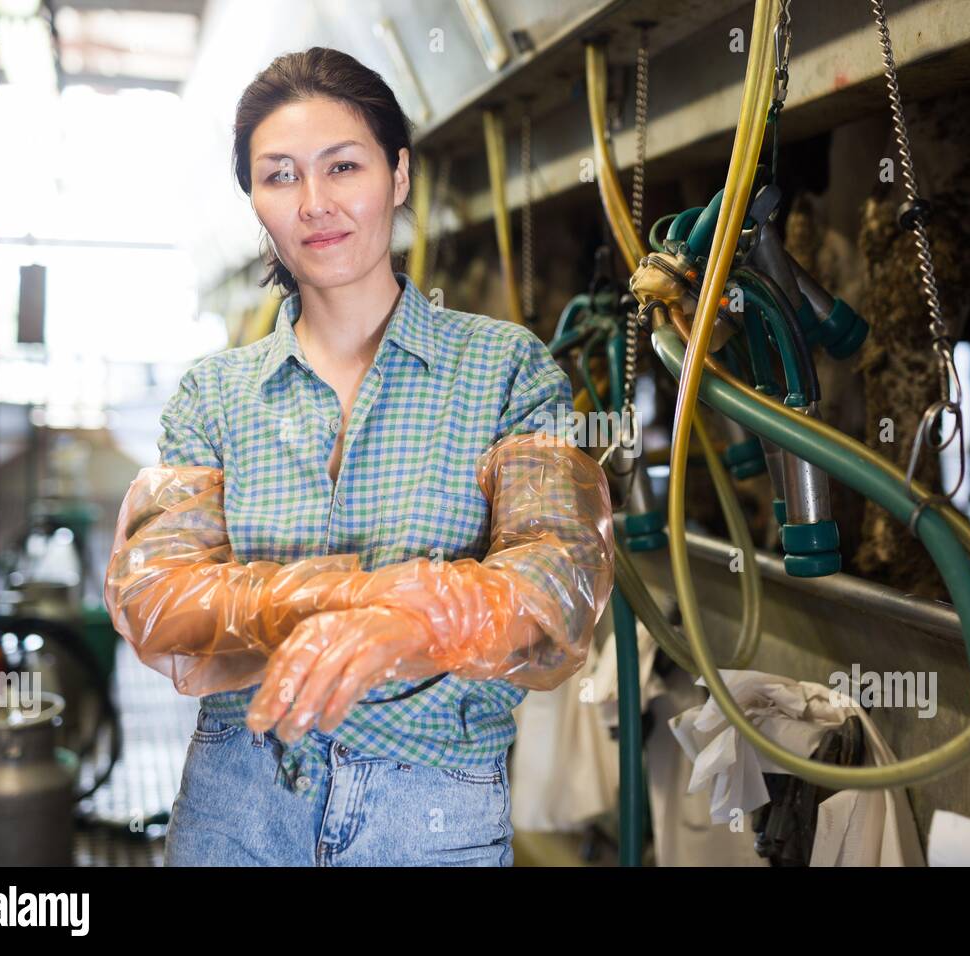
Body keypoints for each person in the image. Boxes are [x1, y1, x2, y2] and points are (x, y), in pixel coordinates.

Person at [103, 47, 615, 867]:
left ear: (399, 174)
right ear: (255, 203)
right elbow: (158, 594)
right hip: (240, 799)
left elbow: (560, 576)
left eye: (343, 165)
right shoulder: (214, 392)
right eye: (279, 176)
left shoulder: (505, 369)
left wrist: (407, 626)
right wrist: (372, 600)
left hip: (432, 807)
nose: (315, 204)